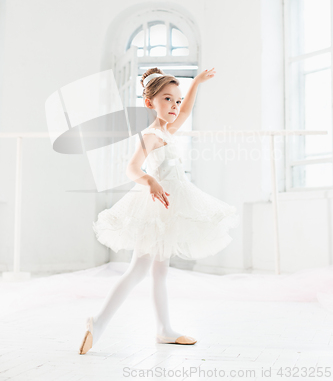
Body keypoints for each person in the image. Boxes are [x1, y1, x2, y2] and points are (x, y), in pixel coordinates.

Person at [79, 67, 239, 354]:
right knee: (139, 270)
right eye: (167, 99)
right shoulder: (151, 134)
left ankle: (163, 329)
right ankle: (100, 321)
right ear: (150, 103)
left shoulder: (168, 129)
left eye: (176, 100)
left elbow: (187, 111)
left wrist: (197, 84)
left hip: (168, 205)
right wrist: (150, 180)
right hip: (155, 207)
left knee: (158, 271)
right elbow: (131, 168)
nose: (175, 106)